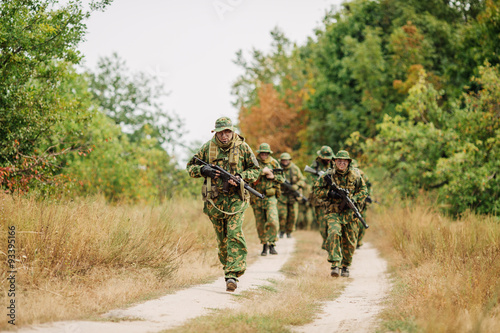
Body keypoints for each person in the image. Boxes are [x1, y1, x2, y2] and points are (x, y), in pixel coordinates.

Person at [186, 117, 260, 292]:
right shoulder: (207, 148)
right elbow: (190, 167)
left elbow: (255, 170)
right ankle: (228, 268)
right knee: (222, 240)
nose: (224, 136)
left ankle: (232, 274)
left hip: (236, 199)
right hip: (215, 201)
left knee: (234, 233)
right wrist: (203, 170)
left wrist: (242, 178)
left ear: (232, 131)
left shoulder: (242, 147)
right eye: (221, 132)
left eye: (227, 132)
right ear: (216, 133)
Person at [312, 150, 368, 278]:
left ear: (348, 162)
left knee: (350, 241)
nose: (341, 163)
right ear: (335, 162)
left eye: (344, 161)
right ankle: (335, 264)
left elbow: (364, 190)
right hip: (334, 211)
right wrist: (329, 193)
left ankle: (346, 265)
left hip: (349, 213)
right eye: (339, 161)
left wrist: (354, 199)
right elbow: (316, 189)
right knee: (333, 232)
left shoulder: (356, 175)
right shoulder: (328, 175)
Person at [251, 143, 285, 256]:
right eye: (262, 153)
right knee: (260, 223)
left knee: (272, 220)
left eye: (266, 153)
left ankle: (272, 243)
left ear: (269, 153)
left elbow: (282, 179)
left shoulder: (274, 163)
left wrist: (273, 176)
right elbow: (249, 176)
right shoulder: (254, 162)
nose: (264, 155)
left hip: (270, 196)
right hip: (257, 196)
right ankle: (264, 244)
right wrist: (262, 172)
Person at [306, 146, 334, 250]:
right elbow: (314, 182)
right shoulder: (315, 166)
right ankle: (326, 241)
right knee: (322, 223)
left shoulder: (334, 163)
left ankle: (330, 243)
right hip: (320, 198)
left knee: (331, 222)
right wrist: (322, 178)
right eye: (325, 158)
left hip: (332, 197)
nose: (327, 160)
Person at [277, 152, 306, 238]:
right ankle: (282, 231)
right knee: (282, 215)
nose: (285, 162)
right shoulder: (278, 168)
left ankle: (289, 231)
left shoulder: (295, 169)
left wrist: (296, 186)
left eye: (286, 160)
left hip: (293, 196)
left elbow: (302, 180)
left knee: (293, 215)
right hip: (282, 195)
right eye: (283, 160)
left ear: (289, 160)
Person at [351, 159, 373, 249]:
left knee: (361, 220)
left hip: (361, 200)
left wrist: (368, 197)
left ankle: (358, 241)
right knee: (355, 221)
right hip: (352, 200)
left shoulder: (362, 174)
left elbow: (368, 186)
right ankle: (356, 241)